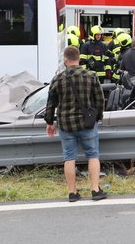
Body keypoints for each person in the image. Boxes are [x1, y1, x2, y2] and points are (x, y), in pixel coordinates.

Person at [44, 46, 108, 202]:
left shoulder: (57, 79)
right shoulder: (91, 76)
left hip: (66, 124)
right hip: (87, 124)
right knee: (93, 155)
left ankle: (72, 193)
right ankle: (95, 190)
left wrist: (49, 122)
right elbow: (100, 100)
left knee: (69, 158)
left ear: (65, 60)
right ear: (79, 58)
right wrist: (97, 117)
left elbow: (50, 103)